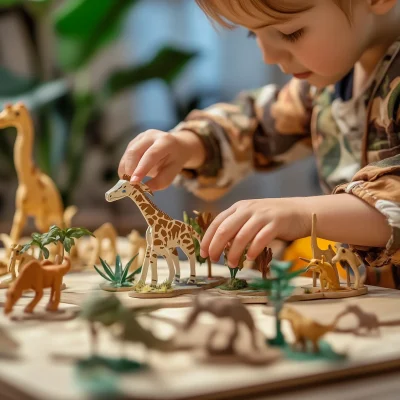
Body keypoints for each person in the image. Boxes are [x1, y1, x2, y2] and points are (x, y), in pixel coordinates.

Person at [118, 0, 400, 288]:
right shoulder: (325, 85)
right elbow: (257, 126)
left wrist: (303, 215)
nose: (267, 55)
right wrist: (190, 143)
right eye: (254, 34)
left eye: (290, 33)